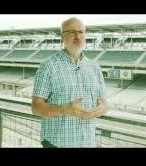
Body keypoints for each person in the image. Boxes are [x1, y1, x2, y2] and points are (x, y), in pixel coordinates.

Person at [31, 17, 109, 148]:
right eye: (72, 32)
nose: (77, 36)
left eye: (81, 32)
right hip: (56, 144)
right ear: (62, 37)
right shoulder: (48, 67)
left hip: (87, 143)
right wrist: (65, 109)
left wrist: (103, 108)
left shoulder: (95, 68)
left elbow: (104, 102)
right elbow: (36, 108)